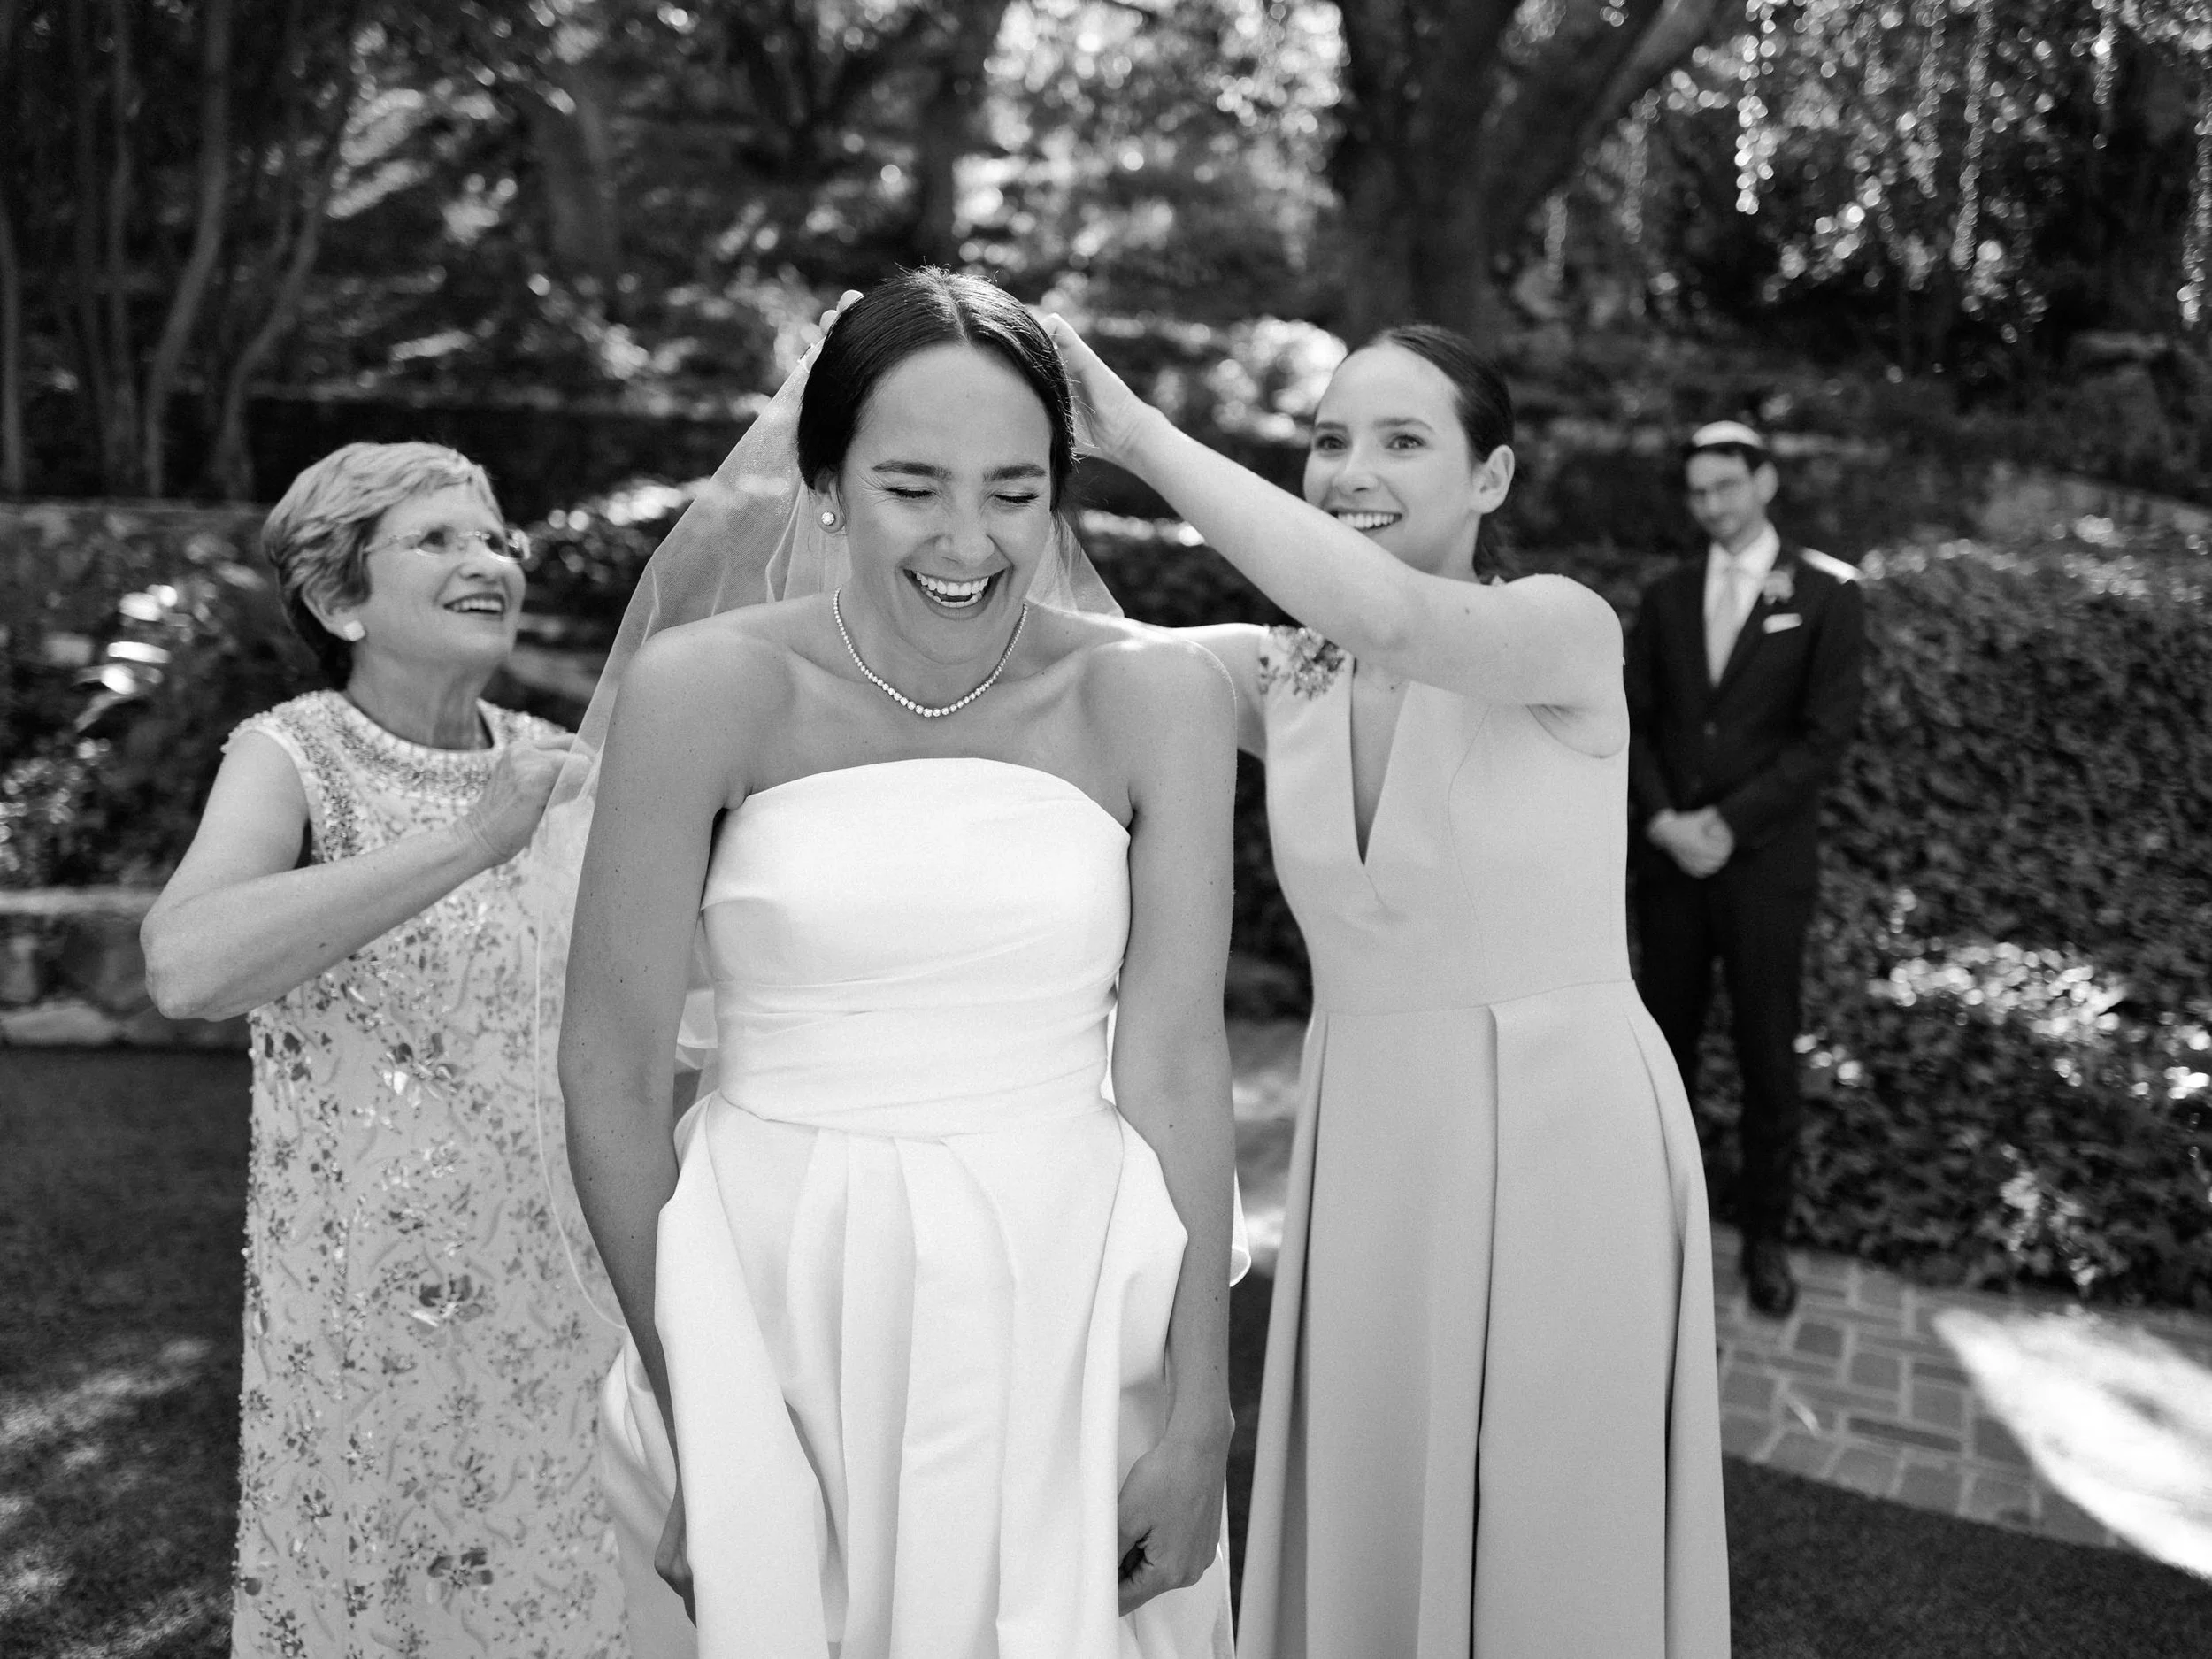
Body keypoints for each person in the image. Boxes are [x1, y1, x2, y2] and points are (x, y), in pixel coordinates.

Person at [557, 270, 1241, 1659]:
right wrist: (702, 1410)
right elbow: (612, 1069)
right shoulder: (703, 688)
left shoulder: (1158, 695)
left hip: (1066, 1292)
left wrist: (1201, 1405)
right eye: (913, 484)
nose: (966, 537)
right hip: (768, 1286)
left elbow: (1173, 1060)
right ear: (825, 482)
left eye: (1012, 488)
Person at [1047, 316, 1729, 1657]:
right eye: (1330, 437)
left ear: (1494, 478)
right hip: (1372, 1145)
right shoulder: (1284, 672)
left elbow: (1392, 615)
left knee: (1550, 1520)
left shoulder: (1562, 633)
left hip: (1566, 1131)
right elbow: (1075, 652)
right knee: (1377, 1490)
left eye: (1403, 439)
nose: (1352, 467)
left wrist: (1128, 432)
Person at [140, 442, 626, 1657]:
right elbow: (187, 966)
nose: (488, 560)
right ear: (339, 598)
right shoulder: (293, 753)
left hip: (554, 1292)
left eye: (497, 536)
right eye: (439, 539)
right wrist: (473, 836)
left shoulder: (561, 766)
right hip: (359, 1308)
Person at [1624, 420, 1866, 1319]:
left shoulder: (1830, 594)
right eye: (1697, 492)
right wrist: (1661, 820)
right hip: (1670, 868)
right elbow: (1637, 721)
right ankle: (1660, 1230)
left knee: (1768, 1060)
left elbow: (1823, 739)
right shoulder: (1665, 594)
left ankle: (1766, 1242)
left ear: (1764, 481)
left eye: (1726, 486)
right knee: (1663, 1056)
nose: (1711, 505)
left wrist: (1725, 824)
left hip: (1764, 870)